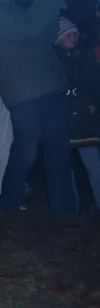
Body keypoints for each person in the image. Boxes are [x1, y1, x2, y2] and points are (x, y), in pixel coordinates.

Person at [0, 0, 76, 220]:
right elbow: (32, 29)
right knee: (26, 151)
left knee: (57, 150)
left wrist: (46, 4)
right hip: (26, 92)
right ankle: (8, 205)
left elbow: (43, 34)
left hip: (42, 87)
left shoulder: (8, 10)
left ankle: (64, 212)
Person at [54, 17, 100, 211]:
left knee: (93, 165)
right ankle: (71, 208)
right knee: (64, 168)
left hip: (84, 120)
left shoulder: (86, 57)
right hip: (61, 120)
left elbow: (95, 83)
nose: (72, 38)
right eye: (67, 34)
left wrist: (94, 103)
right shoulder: (51, 60)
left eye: (74, 34)